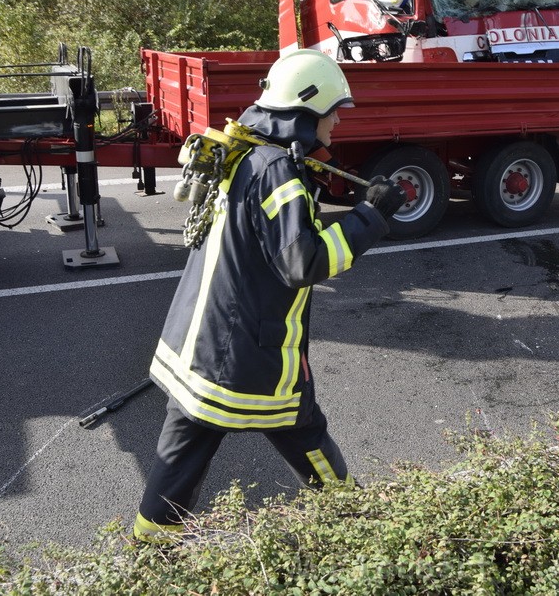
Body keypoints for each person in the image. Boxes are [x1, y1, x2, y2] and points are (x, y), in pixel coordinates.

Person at [133, 49, 407, 540]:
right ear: (308, 108)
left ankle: (149, 551)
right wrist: (371, 217)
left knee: (181, 453)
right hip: (249, 353)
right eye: (334, 109)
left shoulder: (246, 153)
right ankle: (362, 529)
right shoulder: (278, 172)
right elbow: (302, 262)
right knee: (304, 429)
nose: (339, 118)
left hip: (197, 341)